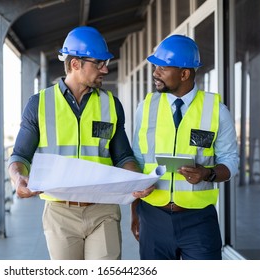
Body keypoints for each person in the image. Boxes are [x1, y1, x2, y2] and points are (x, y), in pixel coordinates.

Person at [8, 26, 152, 260]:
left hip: (103, 210)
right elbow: (20, 156)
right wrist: (18, 178)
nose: (105, 69)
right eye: (99, 63)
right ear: (75, 64)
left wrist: (138, 180)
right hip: (60, 213)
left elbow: (123, 156)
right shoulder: (39, 104)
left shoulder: (111, 104)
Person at [131, 34, 239, 260]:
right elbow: (138, 160)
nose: (155, 73)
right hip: (152, 216)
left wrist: (207, 174)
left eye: (163, 67)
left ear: (184, 73)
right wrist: (135, 213)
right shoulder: (146, 107)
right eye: (155, 66)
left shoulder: (217, 110)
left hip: (198, 222)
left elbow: (230, 160)